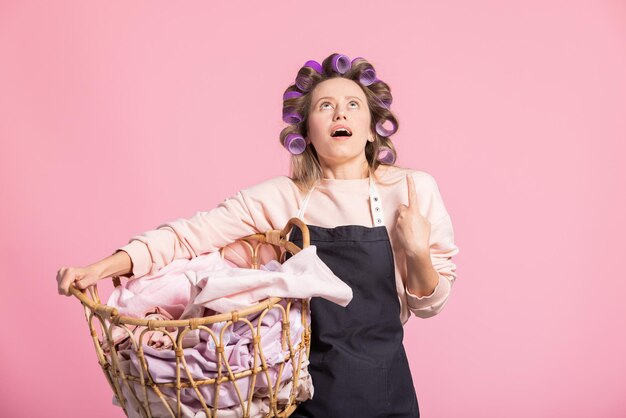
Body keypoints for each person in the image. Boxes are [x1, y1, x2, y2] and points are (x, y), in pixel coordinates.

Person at [57, 53, 459, 418]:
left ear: (372, 130)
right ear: (307, 133)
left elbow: (430, 305)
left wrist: (417, 250)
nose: (340, 114)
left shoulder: (412, 190)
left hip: (387, 392)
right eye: (326, 106)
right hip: (304, 395)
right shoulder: (285, 197)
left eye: (353, 105)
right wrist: (102, 267)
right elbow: (189, 235)